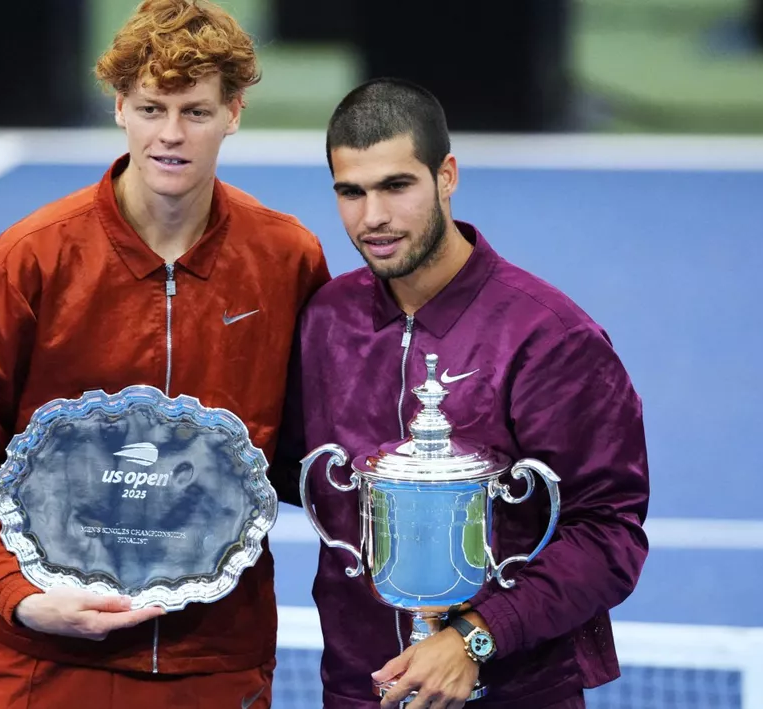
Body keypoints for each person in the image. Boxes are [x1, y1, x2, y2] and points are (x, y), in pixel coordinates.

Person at [0, 1, 330, 707]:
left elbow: (306, 455)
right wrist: (20, 597)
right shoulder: (25, 263)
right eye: (150, 107)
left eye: (195, 111)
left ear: (234, 112)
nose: (170, 135)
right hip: (49, 660)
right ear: (118, 107)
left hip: (217, 661)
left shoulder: (286, 258)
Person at [284, 78, 650, 708]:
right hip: (358, 692)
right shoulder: (324, 321)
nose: (373, 218)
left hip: (512, 691)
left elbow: (609, 532)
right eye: (351, 192)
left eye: (397, 186)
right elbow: (282, 467)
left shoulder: (549, 338)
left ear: (446, 176)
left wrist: (474, 638)